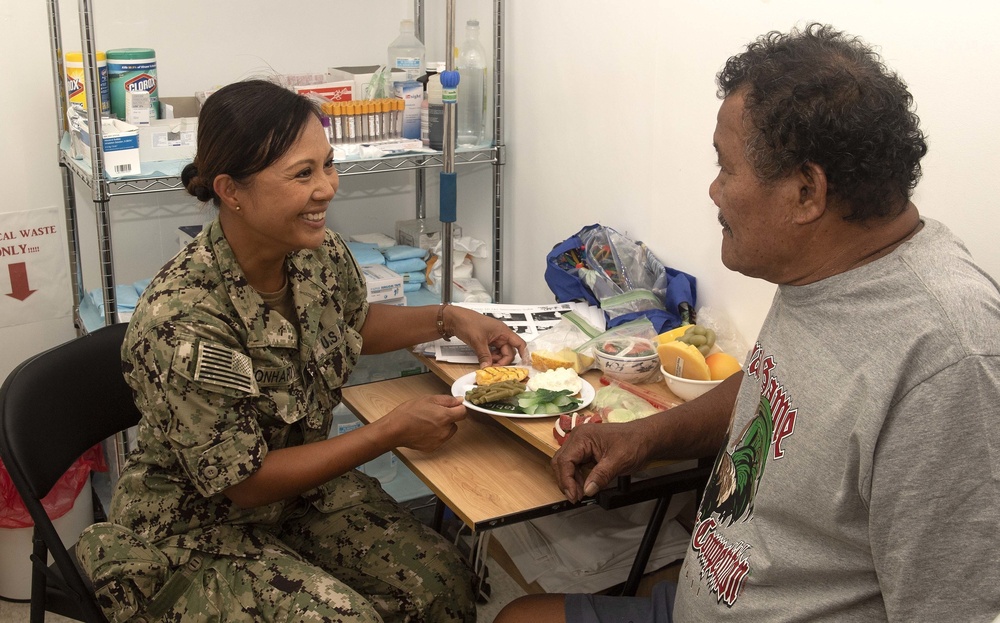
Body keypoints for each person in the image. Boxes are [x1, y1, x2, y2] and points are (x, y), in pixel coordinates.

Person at [494, 23, 1000, 623]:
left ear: (806, 192)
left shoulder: (948, 364)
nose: (714, 191)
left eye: (725, 168)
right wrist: (643, 440)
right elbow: (774, 389)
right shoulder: (826, 267)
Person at [75, 78, 527, 623]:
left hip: (299, 497)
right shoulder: (184, 321)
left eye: (328, 165)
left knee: (438, 582)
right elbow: (245, 483)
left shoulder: (313, 250)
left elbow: (351, 321)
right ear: (232, 190)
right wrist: (386, 432)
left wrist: (449, 317)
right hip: (196, 530)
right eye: (302, 174)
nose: (327, 189)